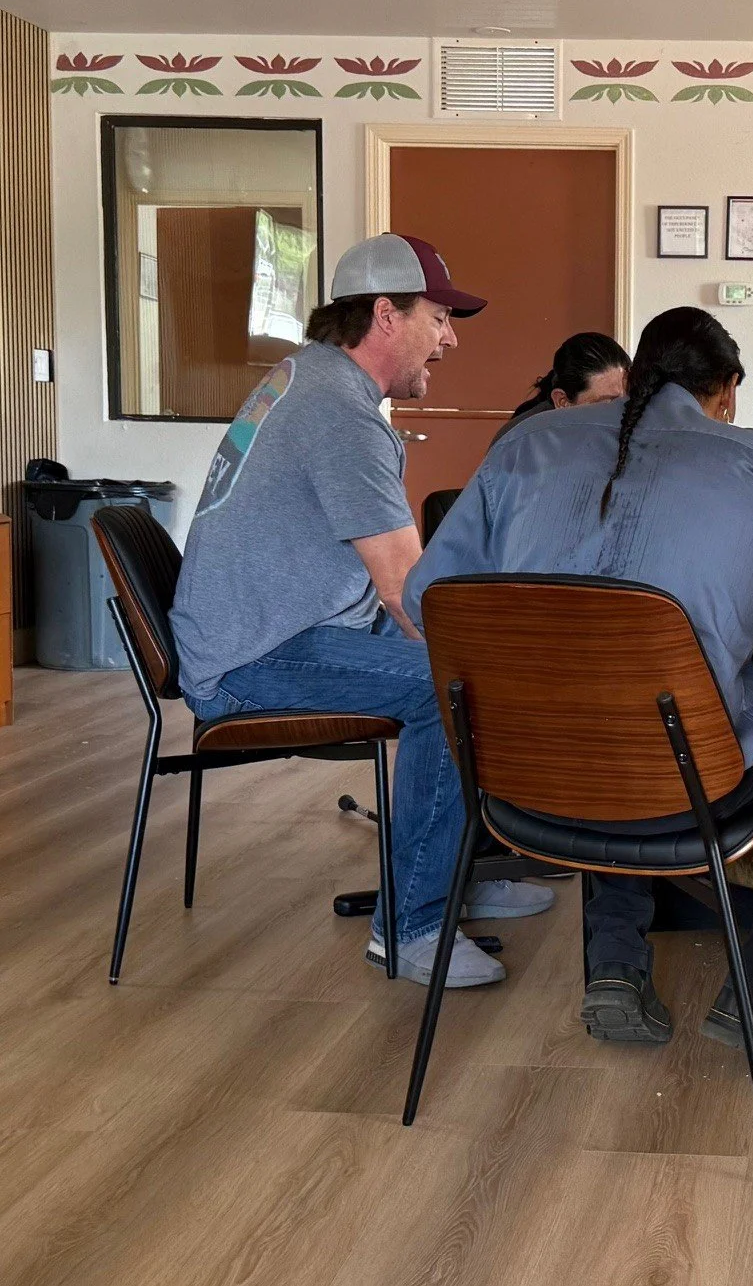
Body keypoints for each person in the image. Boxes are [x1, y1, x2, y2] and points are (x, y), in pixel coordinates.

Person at [407, 307, 753, 1067]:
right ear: (727, 391)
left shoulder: (526, 444)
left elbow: (426, 600)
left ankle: (614, 963)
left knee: (605, 718)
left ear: (636, 377)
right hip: (686, 783)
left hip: (521, 780)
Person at [171, 232, 550, 989]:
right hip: (257, 656)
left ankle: (457, 872)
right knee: (456, 687)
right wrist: (480, 654)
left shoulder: (305, 376)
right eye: (438, 317)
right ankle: (412, 924)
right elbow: (404, 586)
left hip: (273, 625)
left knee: (470, 671)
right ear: (384, 314)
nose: (449, 338)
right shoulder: (338, 413)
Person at [489, 331, 631, 448]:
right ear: (562, 402)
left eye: (628, 400)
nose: (622, 415)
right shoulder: (519, 446)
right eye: (606, 405)